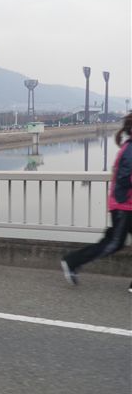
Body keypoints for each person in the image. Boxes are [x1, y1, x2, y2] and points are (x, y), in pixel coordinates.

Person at [61, 113, 132, 291]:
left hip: (125, 204)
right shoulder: (130, 149)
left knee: (114, 242)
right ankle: (72, 261)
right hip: (124, 205)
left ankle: (72, 261)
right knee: (114, 243)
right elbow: (125, 179)